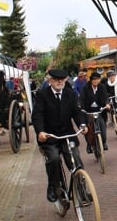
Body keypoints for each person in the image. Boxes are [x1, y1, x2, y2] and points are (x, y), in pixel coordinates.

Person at [31, 68, 88, 202]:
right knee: (54, 159)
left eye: (62, 79)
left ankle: (82, 189)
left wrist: (82, 124)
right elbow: (37, 115)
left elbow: (77, 112)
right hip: (49, 137)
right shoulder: (42, 94)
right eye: (56, 79)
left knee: (75, 159)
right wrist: (40, 131)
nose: (60, 82)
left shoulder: (71, 94)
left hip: (67, 135)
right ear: (50, 80)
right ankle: (53, 187)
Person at [79, 70, 110, 154]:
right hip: (88, 111)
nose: (96, 81)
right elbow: (81, 98)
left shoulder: (101, 87)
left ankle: (103, 142)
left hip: (99, 111)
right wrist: (80, 106)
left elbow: (105, 96)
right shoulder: (86, 87)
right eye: (94, 79)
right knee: (87, 129)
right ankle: (89, 144)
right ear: (91, 80)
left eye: (97, 79)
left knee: (102, 125)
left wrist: (107, 104)